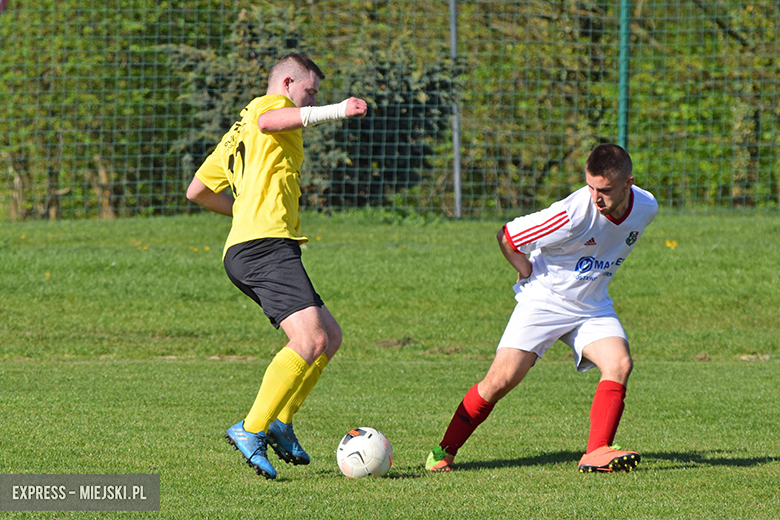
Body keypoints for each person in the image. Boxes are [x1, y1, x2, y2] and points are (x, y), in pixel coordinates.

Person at [186, 53, 368, 480]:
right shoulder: (267, 108)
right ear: (287, 83)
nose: (310, 100)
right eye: (309, 92)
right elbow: (272, 123)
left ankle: (280, 421)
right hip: (263, 246)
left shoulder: (236, 133)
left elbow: (197, 190)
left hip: (254, 244)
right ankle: (251, 428)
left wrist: (245, 210)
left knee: (330, 338)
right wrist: (338, 109)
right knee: (309, 341)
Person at [426, 143, 657, 473]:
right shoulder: (572, 214)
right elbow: (507, 235)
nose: (595, 197)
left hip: (591, 306)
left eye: (604, 190)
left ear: (627, 184)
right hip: (545, 300)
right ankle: (443, 450)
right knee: (499, 381)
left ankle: (596, 452)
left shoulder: (646, 207)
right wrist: (525, 272)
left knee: (619, 363)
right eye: (590, 187)